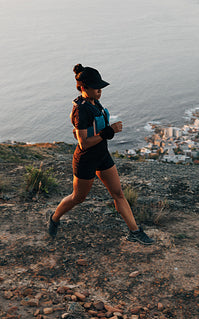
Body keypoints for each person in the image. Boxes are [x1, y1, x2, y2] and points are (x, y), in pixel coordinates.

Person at [46, 64, 154, 245]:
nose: (100, 90)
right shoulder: (81, 110)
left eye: (100, 87)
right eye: (96, 87)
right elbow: (83, 143)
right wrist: (109, 131)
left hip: (102, 155)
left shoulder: (94, 102)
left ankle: (135, 232)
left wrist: (105, 133)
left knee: (118, 193)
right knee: (77, 198)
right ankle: (55, 218)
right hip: (86, 160)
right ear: (83, 88)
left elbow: (88, 132)